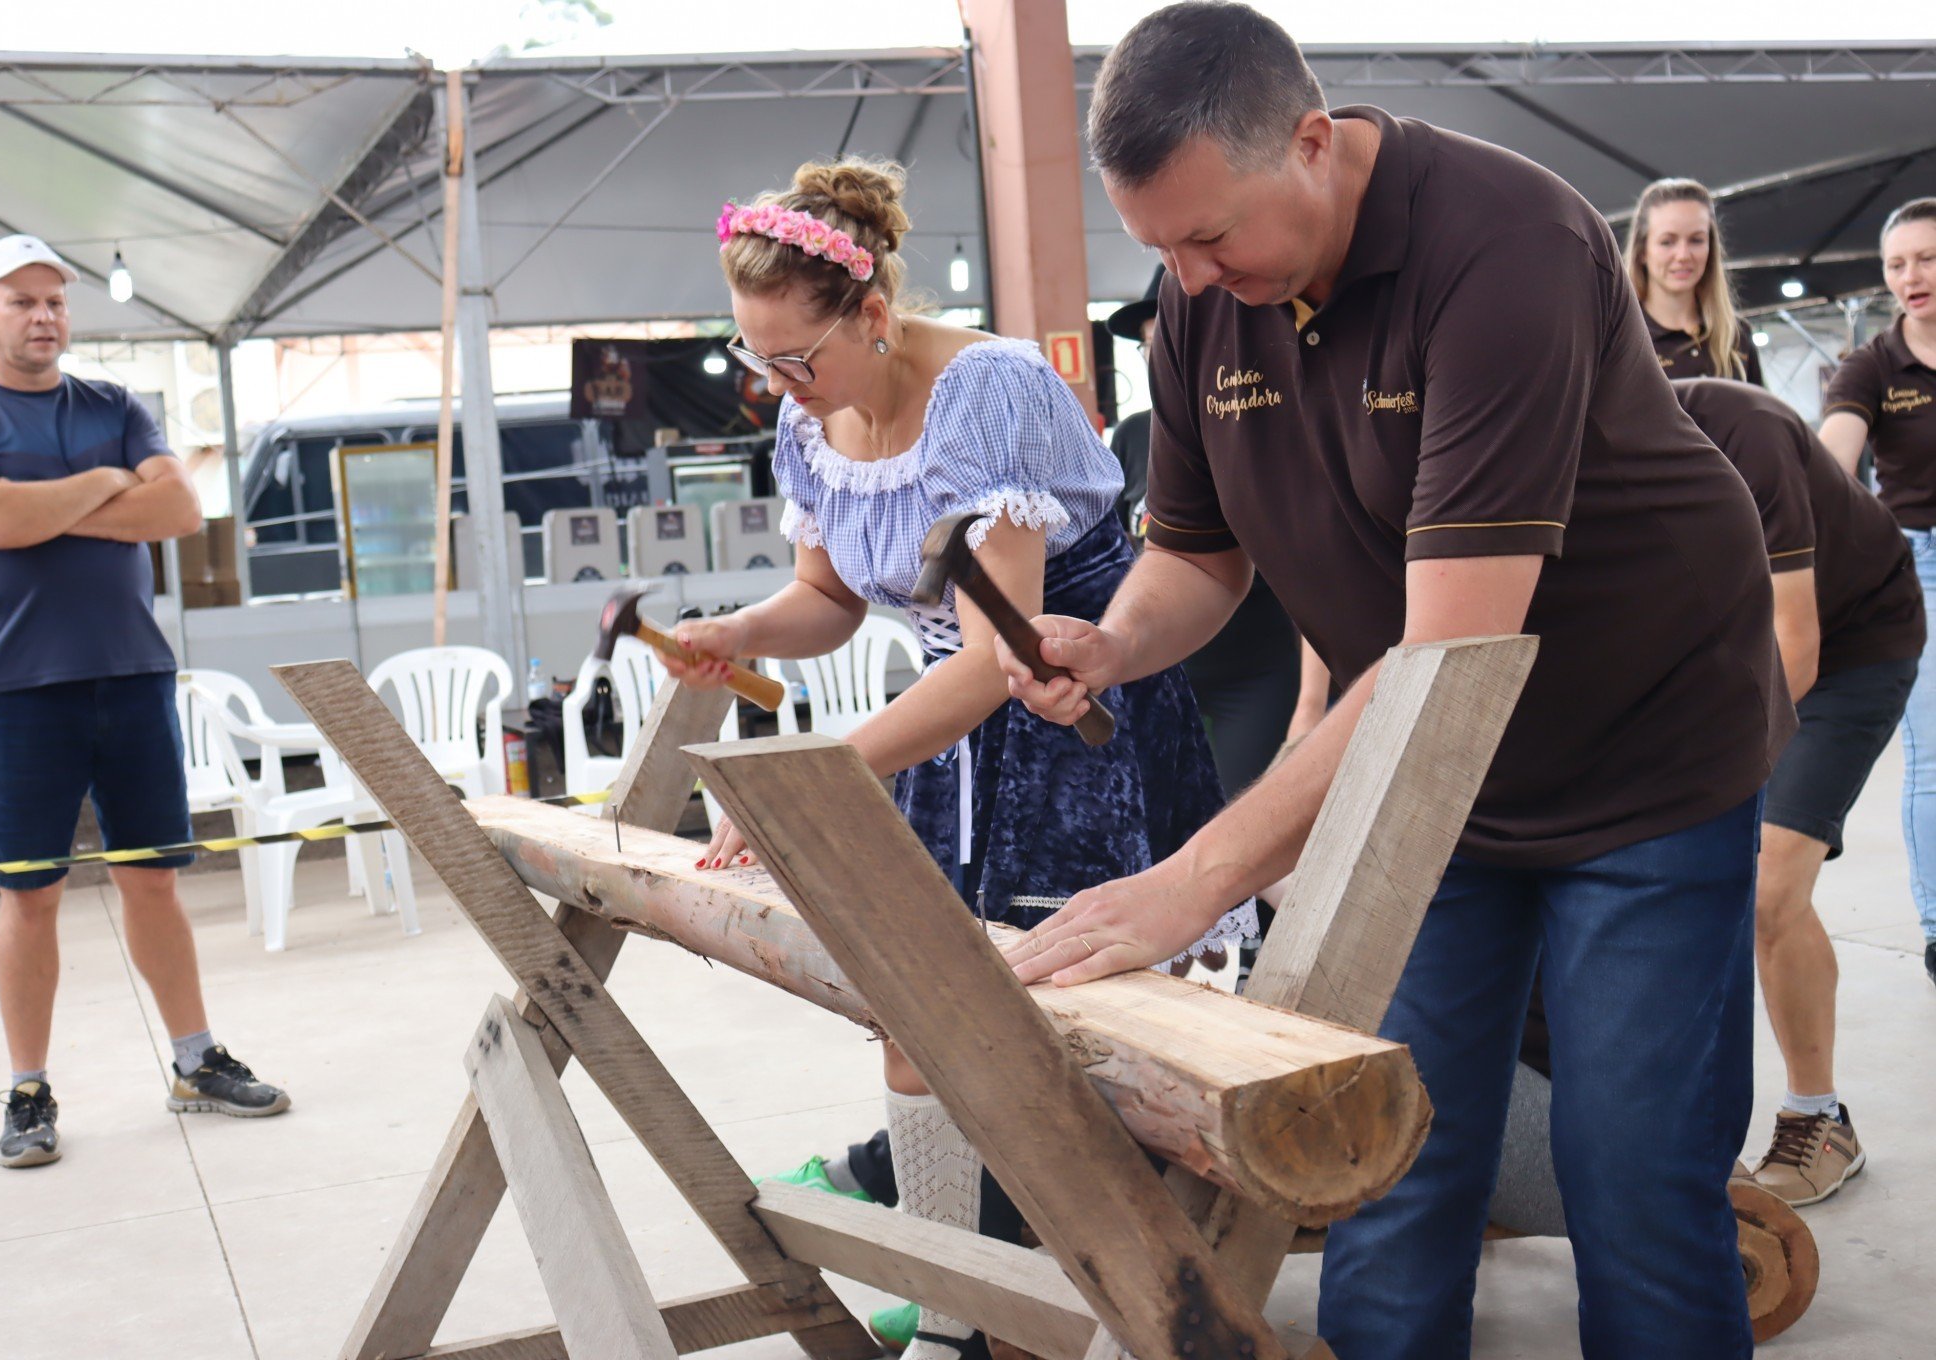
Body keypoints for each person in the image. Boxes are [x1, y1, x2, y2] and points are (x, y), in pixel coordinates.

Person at [996, 7, 1793, 1357]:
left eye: (1210, 238)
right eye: (1160, 249)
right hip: (1435, 784)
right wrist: (1117, 643)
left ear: (1312, 143)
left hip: (1642, 752)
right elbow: (1196, 555)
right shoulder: (1200, 302)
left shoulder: (1503, 244)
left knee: (1634, 1178)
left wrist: (1195, 881)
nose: (1186, 279)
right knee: (1382, 1156)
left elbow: (1439, 660)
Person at [662, 160, 1251, 1360]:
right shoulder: (806, 410)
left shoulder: (988, 391)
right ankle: (951, 1307)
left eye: (797, 359)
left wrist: (817, 784)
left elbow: (995, 660)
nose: (776, 385)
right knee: (915, 999)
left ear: (872, 315)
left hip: (1074, 717)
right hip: (944, 724)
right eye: (753, 357)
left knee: (1069, 1012)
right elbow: (829, 598)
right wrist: (745, 630)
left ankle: (1091, 1286)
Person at [0, 235, 289, 1171]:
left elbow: (177, 516)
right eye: (23, 302)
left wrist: (35, 506)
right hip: (17, 687)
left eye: (57, 303)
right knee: (28, 894)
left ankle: (196, 1063)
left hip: (132, 674)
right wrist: (102, 486)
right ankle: (28, 1090)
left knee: (151, 879)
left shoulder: (118, 405)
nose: (44, 317)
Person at [1672, 377, 1922, 1204]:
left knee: (1770, 885)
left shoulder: (1744, 430)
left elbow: (1798, 645)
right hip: (1717, 647)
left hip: (1850, 648)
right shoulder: (1566, 445)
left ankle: (1821, 1118)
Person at [1109, 263, 1301, 796]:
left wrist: (1311, 706)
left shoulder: (1262, 422)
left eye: (1166, 342)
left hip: (1257, 667)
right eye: (1149, 348)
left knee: (1251, 814)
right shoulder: (1133, 435)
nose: (1159, 359)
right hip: (1162, 667)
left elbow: (1313, 571)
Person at [1819, 197, 1936, 987]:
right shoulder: (1872, 367)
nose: (1910, 277)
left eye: (1925, 258)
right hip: (1920, 566)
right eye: (1897, 263)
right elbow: (1832, 461)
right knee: (1933, 757)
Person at [1626, 177, 1764, 383]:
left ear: (1711, 248)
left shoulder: (1737, 336)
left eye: (1696, 240)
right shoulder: (1623, 338)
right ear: (1642, 251)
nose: (1683, 255)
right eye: (1667, 242)